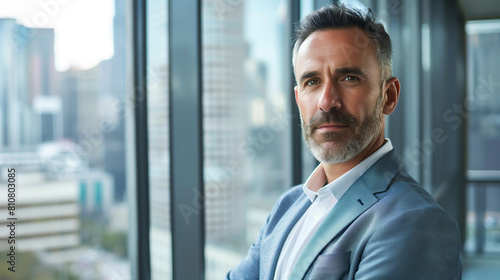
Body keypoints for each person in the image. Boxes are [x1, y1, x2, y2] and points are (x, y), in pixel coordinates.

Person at [226, 3, 462, 280]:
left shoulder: (416, 221)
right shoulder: (287, 206)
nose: (327, 102)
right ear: (298, 99)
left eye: (349, 78)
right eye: (312, 82)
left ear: (389, 96)